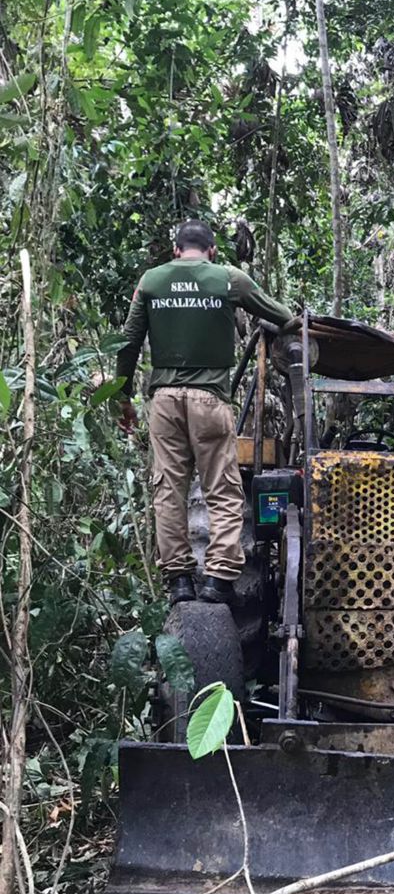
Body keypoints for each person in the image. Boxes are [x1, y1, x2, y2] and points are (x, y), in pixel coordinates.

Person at [116, 220, 293, 605]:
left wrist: (122, 397)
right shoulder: (229, 279)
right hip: (210, 398)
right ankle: (218, 579)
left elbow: (128, 344)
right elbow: (284, 316)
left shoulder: (150, 281)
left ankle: (179, 580)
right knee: (223, 490)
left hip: (163, 402)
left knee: (168, 489)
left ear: (176, 250)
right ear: (212, 251)